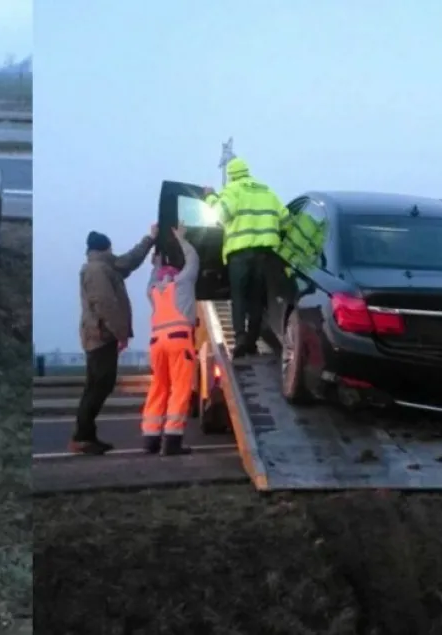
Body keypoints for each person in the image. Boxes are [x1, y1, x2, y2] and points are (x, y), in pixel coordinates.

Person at [72, 225, 157, 455]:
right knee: (99, 385)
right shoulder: (98, 270)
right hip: (101, 336)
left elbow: (128, 262)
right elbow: (106, 305)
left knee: (98, 385)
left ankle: (86, 435)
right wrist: (120, 333)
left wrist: (149, 239)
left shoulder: (104, 266)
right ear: (105, 248)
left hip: (101, 334)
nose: (113, 251)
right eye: (110, 248)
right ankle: (82, 436)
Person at [205, 157, 290, 358]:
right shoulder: (268, 193)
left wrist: (210, 198)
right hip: (265, 255)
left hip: (240, 255)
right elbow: (286, 220)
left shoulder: (233, 190)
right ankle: (251, 341)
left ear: (232, 175)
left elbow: (220, 214)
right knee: (256, 300)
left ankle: (240, 339)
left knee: (239, 298)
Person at [140, 224, 200, 455]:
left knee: (158, 387)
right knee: (180, 388)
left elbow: (154, 275)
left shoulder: (153, 291)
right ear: (175, 274)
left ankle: (151, 438)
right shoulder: (182, 285)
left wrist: (155, 263)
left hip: (156, 343)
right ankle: (173, 441)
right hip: (179, 342)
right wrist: (181, 239)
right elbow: (192, 259)